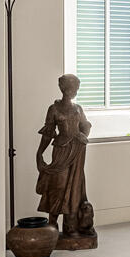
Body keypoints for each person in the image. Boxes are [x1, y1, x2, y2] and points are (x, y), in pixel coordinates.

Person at [35, 73, 94, 242]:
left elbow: (85, 125)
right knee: (58, 186)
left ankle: (71, 227)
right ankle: (53, 226)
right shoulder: (54, 109)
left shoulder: (78, 108)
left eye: (75, 87)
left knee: (75, 187)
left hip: (77, 150)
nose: (73, 90)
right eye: (70, 87)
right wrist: (39, 153)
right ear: (62, 88)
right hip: (61, 151)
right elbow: (48, 133)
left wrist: (82, 135)